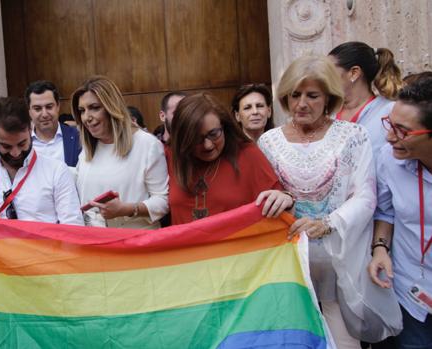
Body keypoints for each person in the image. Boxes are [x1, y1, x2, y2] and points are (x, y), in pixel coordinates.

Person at [258, 55, 378, 348]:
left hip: (341, 257)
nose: (301, 104)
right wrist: (281, 197)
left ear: (329, 98)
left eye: (312, 95)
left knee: (345, 340)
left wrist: (328, 223)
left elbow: (365, 195)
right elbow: (263, 195)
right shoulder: (269, 141)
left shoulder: (353, 136)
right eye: (294, 95)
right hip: (290, 260)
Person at [368, 77, 432, 348]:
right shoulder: (388, 159)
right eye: (389, 125)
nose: (389, 136)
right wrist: (380, 248)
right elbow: (385, 210)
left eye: (402, 130)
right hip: (410, 292)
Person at [168, 92, 291, 225]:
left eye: (214, 134)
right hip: (185, 244)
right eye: (196, 139)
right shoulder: (172, 157)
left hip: (238, 245)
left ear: (224, 126)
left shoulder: (248, 155)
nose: (207, 145)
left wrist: (286, 198)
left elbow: (277, 204)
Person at [0, 97, 83, 225]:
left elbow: (73, 227)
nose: (15, 153)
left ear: (30, 129)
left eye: (22, 143)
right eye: (6, 146)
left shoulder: (56, 171)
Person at [71, 76, 169, 229]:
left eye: (95, 107)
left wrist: (127, 209)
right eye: (82, 111)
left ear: (112, 108)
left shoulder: (147, 144)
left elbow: (163, 201)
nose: (87, 117)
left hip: (134, 242)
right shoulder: (87, 149)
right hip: (93, 242)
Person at [329, 41, 403, 153]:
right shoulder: (327, 112)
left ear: (354, 73)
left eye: (328, 71)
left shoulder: (389, 112)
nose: (322, 77)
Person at [25, 80, 82, 167]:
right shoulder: (22, 143)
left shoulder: (78, 137)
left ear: (58, 106)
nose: (44, 114)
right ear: (29, 111)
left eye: (49, 107)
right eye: (37, 108)